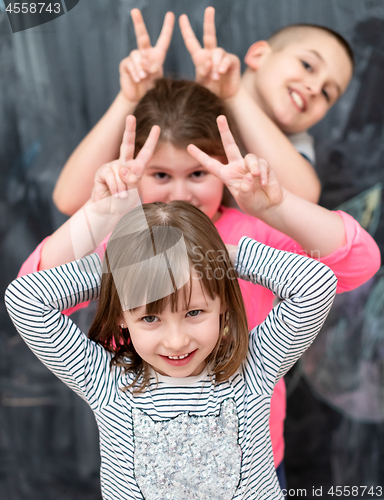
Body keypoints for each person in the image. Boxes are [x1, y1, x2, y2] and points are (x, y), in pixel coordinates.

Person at [17, 80, 380, 489]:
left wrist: (245, 233)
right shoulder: (125, 244)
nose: (180, 192)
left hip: (257, 460)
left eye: (197, 173)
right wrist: (120, 252)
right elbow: (32, 292)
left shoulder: (252, 235)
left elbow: (357, 264)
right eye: (160, 174)